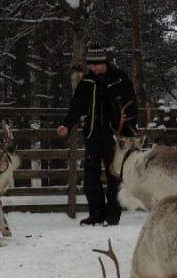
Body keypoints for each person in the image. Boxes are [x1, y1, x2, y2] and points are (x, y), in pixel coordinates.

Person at [57, 43, 137, 227]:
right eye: (91, 65)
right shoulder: (86, 82)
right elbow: (76, 107)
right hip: (93, 134)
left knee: (114, 176)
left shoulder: (120, 79)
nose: (94, 68)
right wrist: (66, 125)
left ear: (104, 62)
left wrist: (127, 133)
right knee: (90, 177)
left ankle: (112, 216)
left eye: (97, 64)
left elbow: (132, 107)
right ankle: (96, 214)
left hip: (115, 137)